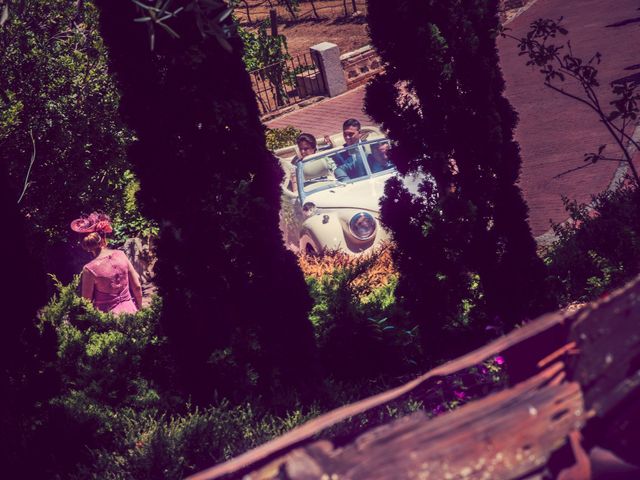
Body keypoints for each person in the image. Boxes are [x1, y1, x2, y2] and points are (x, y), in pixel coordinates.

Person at [71, 212, 142, 314]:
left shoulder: (89, 269)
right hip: (131, 313)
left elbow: (86, 304)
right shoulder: (121, 254)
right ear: (103, 237)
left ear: (86, 245)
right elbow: (137, 286)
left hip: (108, 321)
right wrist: (139, 309)